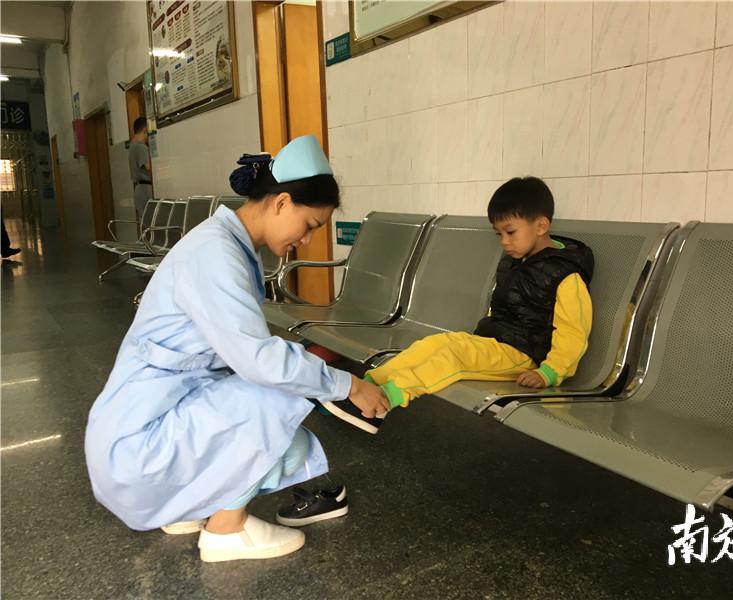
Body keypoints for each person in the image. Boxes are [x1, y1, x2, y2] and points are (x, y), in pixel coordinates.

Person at [84, 135, 388, 563]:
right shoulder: (217, 253)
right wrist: (348, 385)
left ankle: (187, 505)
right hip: (140, 447)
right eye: (309, 226)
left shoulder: (225, 243)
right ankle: (226, 530)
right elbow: (259, 361)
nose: (307, 241)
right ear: (281, 203)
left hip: (144, 426)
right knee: (276, 400)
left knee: (283, 423)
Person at [322, 177, 594, 434]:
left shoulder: (565, 274)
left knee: (451, 359)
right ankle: (365, 387)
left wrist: (549, 372)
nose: (504, 241)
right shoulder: (517, 261)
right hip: (496, 342)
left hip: (524, 354)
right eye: (499, 234)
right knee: (433, 345)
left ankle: (384, 402)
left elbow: (573, 332)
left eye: (510, 232)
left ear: (541, 226)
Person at [128, 117, 153, 220]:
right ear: (145, 130)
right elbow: (149, 167)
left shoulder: (132, 146)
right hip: (145, 189)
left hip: (139, 188)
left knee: (145, 222)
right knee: (151, 220)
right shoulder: (141, 147)